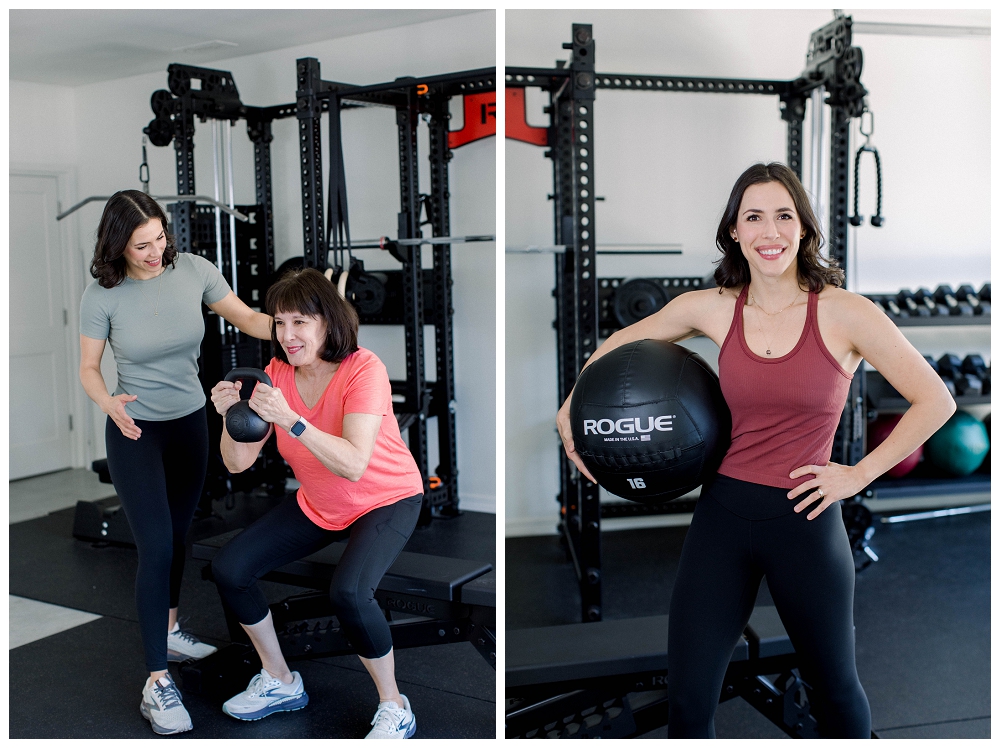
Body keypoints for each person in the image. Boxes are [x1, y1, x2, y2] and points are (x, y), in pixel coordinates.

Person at [556, 163, 955, 738]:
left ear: (804, 230)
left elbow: (934, 400)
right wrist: (572, 404)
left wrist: (858, 475)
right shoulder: (716, 307)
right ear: (735, 234)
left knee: (834, 690)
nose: (770, 231)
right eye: (754, 218)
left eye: (783, 216)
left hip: (805, 520)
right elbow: (621, 342)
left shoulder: (845, 312)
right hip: (723, 518)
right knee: (689, 701)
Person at [79, 190, 273, 735]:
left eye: (160, 238)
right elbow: (89, 367)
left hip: (190, 423)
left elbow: (251, 320)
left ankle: (168, 630)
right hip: (135, 429)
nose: (155, 251)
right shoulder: (103, 295)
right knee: (156, 544)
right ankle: (156, 681)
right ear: (117, 244)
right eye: (142, 244)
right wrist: (106, 402)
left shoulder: (193, 270)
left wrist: (304, 322)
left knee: (180, 536)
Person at [208, 267, 424, 739]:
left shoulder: (363, 368)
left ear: (327, 320)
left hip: (385, 498)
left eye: (299, 322)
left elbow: (353, 464)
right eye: (279, 323)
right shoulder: (274, 374)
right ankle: (280, 680)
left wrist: (292, 420)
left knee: (348, 592)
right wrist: (229, 417)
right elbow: (238, 465)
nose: (287, 335)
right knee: (230, 569)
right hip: (320, 504)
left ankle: (395, 704)